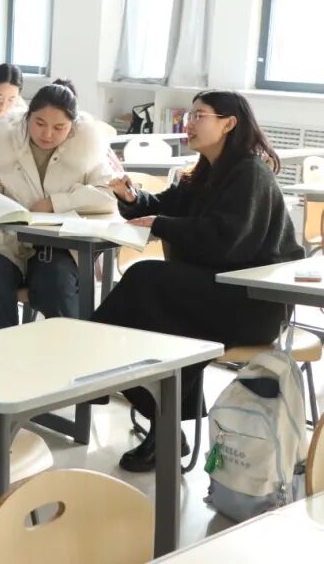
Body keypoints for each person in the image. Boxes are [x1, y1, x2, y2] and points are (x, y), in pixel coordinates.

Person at [93, 90, 304, 472]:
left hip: (253, 303)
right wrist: (131, 196)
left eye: (199, 115)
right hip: (216, 293)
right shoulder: (205, 171)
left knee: (144, 279)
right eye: (189, 115)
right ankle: (160, 422)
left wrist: (160, 224)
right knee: (154, 328)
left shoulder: (249, 173)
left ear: (228, 123)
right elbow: (161, 206)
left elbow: (227, 241)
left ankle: (93, 361)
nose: (188, 123)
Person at [0, 82, 116, 330]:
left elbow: (108, 194)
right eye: (40, 123)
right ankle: (4, 347)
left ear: (72, 126)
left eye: (59, 127)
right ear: (27, 117)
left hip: (57, 245)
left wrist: (55, 203)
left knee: (56, 284)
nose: (47, 134)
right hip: (4, 241)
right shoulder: (3, 141)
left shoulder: (87, 147)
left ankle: (70, 348)